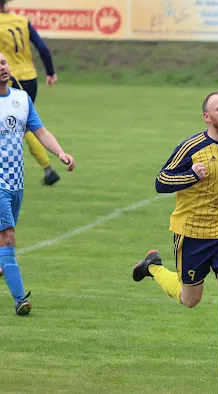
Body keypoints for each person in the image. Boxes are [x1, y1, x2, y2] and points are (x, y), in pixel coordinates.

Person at [132, 91, 218, 380]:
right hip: (192, 233)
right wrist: (192, 174)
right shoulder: (191, 148)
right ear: (208, 116)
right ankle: (152, 266)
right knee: (189, 298)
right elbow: (162, 181)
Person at [0, 53, 74, 315]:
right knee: (8, 238)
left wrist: (60, 153)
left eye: (3, 63)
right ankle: (20, 299)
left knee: (3, 240)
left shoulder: (21, 99)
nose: (2, 68)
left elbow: (39, 131)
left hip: (16, 182)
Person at [0, 0, 61, 186]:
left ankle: (48, 168)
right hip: (30, 77)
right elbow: (42, 48)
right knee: (22, 123)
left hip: (10, 79)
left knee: (22, 126)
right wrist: (50, 72)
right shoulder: (21, 20)